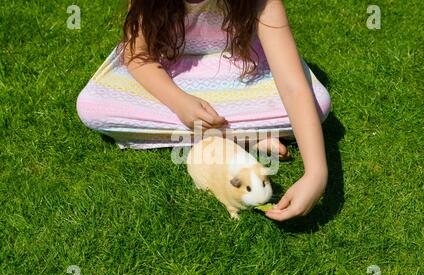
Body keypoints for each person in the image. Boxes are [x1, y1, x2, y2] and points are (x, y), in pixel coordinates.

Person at [77, 0, 332, 221]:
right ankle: (244, 135)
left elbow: (292, 87)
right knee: (92, 107)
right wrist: (179, 102)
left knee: (317, 104)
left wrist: (316, 174)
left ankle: (216, 135)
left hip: (241, 69)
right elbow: (138, 56)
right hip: (170, 74)